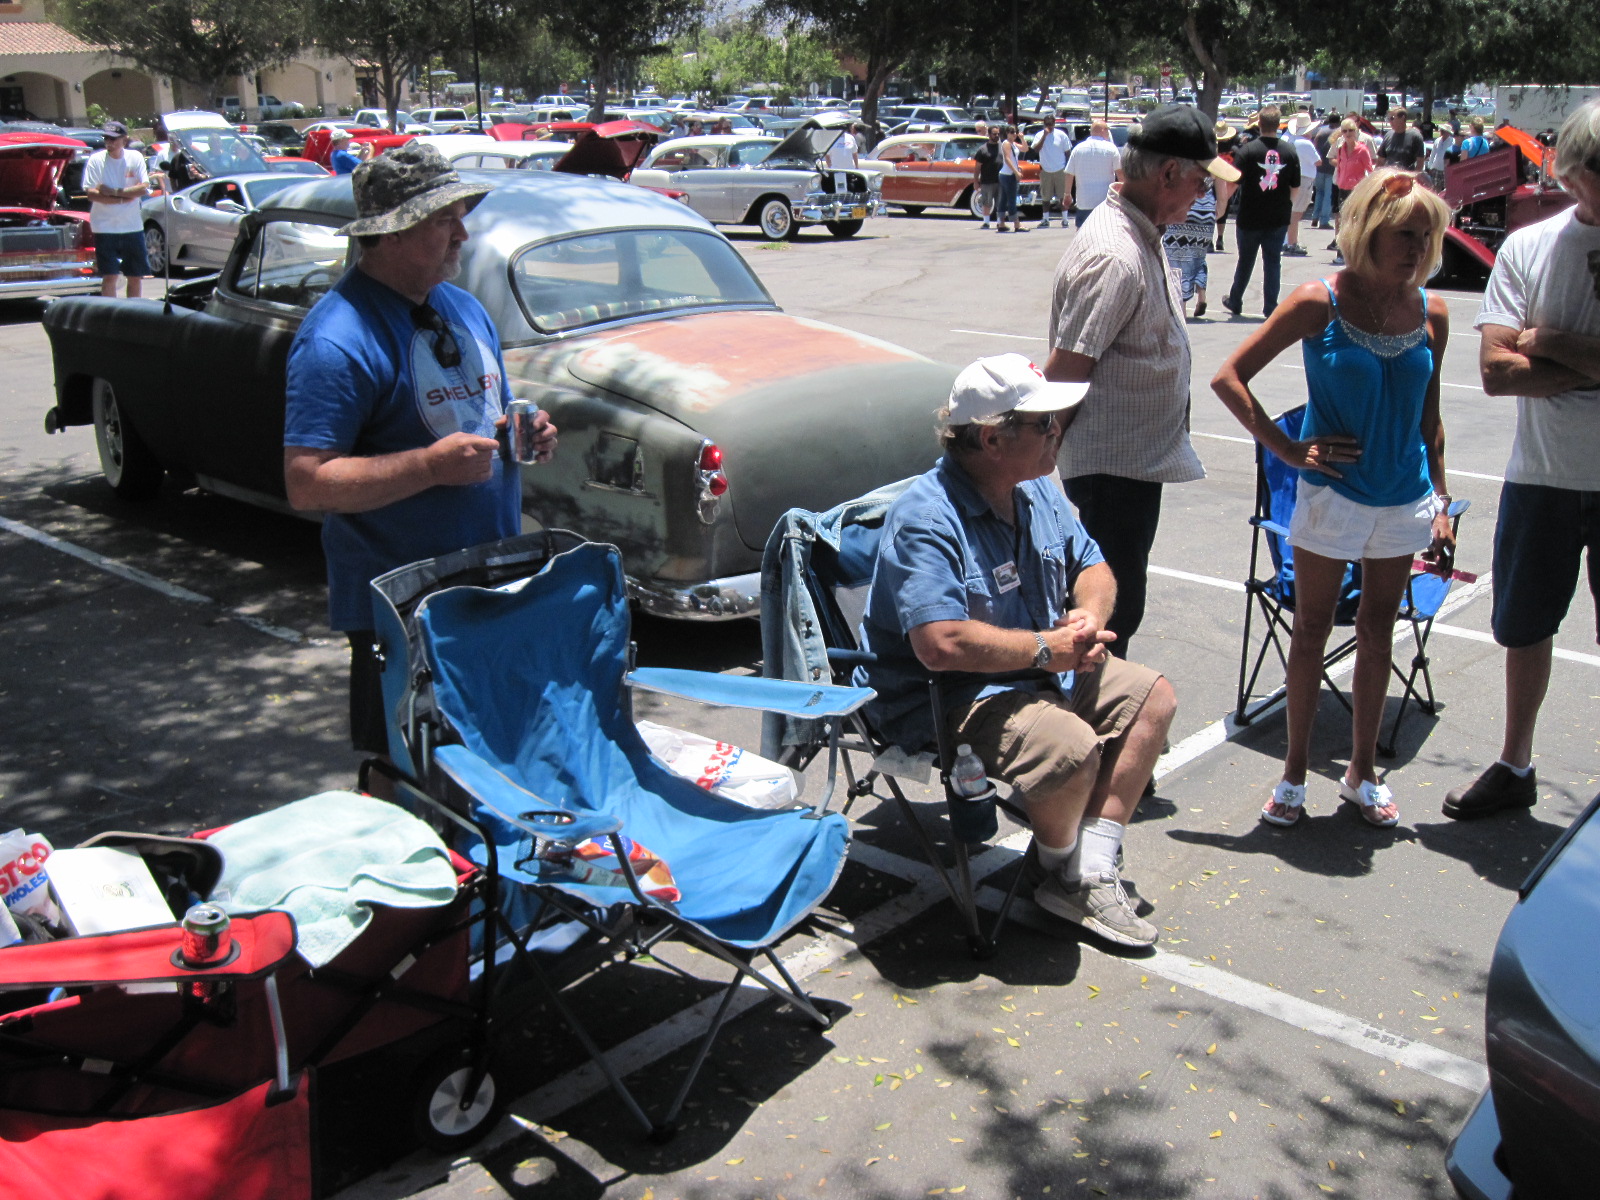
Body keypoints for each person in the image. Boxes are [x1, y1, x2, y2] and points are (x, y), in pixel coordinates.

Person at [857, 354, 1178, 946]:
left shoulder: (1036, 491)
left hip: (1037, 674)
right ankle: (1061, 869)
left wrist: (1087, 620)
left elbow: (1095, 566)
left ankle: (1087, 866)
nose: (1059, 431)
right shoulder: (926, 517)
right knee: (1071, 750)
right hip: (949, 697)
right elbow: (940, 644)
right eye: (1046, 425)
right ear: (991, 439)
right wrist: (1045, 649)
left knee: (1151, 698)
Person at [282, 143, 558, 753]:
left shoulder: (461, 307)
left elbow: (484, 416)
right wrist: (429, 467)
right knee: (404, 771)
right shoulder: (336, 338)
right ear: (392, 235)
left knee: (493, 760)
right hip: (400, 606)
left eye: (462, 213)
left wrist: (526, 433)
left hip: (488, 584)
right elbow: (306, 482)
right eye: (443, 219)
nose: (463, 231)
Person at [1211, 169, 1455, 829]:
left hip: (1403, 502)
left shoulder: (1431, 311)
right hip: (1331, 500)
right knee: (1312, 630)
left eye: (1426, 235)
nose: (1417, 248)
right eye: (1405, 234)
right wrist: (1285, 450)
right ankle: (1293, 773)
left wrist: (1440, 498)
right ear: (1369, 230)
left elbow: (1430, 421)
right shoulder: (1318, 301)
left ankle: (1360, 772)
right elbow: (1227, 377)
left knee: (1379, 633)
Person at [1445, 100, 1600, 820]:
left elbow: (1521, 356)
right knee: (1525, 626)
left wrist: (1549, 341)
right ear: (1573, 173)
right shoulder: (1529, 249)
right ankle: (1515, 763)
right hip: (1542, 475)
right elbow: (1496, 372)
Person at [1045, 105, 1238, 657]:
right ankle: (1089, 726)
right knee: (1107, 612)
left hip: (1130, 464)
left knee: (1118, 606)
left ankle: (1096, 713)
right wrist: (1034, 470)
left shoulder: (1141, 234)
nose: (1204, 194)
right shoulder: (1116, 254)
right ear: (1169, 173)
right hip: (1111, 470)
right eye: (1201, 180)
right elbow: (1065, 375)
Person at [1221, 105, 1301, 319]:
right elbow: (1295, 186)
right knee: (1273, 261)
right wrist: (1288, 206)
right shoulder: (1289, 151)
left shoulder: (1247, 151)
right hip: (1278, 216)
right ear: (1278, 124)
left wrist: (1220, 206)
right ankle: (1271, 306)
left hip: (1250, 215)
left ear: (1259, 124)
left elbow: (1233, 183)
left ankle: (1236, 300)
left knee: (1246, 260)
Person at [82, 121, 150, 299]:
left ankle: (134, 313)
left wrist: (114, 193)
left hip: (132, 226)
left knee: (135, 276)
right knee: (110, 275)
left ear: (124, 139)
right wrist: (126, 197)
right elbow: (92, 194)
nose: (109, 142)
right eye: (106, 138)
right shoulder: (96, 160)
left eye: (113, 139)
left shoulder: (135, 157)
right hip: (105, 227)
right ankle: (110, 314)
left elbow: (143, 188)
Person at [1163, 173, 1215, 318]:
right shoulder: (1212, 161)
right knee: (1198, 256)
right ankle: (1201, 296)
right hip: (1206, 210)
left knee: (1178, 259)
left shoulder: (1181, 160)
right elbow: (1223, 192)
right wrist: (1217, 211)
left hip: (1184, 206)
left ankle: (1182, 308)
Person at [1330, 118, 1374, 264]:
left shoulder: (1362, 150)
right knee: (1342, 222)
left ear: (1356, 132)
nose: (1348, 134)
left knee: (1356, 222)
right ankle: (1341, 253)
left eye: (1351, 130)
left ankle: (1357, 254)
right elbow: (1339, 166)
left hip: (1356, 190)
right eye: (1344, 131)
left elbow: (1370, 170)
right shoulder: (1340, 148)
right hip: (1342, 188)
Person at [1063, 120, 1122, 228]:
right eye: (1107, 130)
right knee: (1105, 234)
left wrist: (1067, 194)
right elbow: (1120, 173)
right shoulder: (1111, 148)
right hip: (1105, 202)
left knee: (1083, 234)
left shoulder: (1078, 149)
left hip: (1084, 201)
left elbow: (1069, 173)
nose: (1108, 133)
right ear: (1103, 130)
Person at [1283, 112, 1322, 255]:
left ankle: (1289, 241)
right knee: (1296, 213)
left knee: (1292, 211)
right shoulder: (1305, 143)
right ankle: (1292, 243)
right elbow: (1318, 161)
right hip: (1304, 179)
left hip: (1291, 177)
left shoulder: (1287, 140)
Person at [1032, 113, 1072, 228]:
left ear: (1055, 123)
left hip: (1060, 169)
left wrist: (1068, 168)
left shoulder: (1061, 135)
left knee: (1062, 196)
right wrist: (1044, 136)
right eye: (1047, 124)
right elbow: (1035, 149)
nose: (1049, 126)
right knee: (1046, 197)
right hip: (1045, 170)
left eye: (1051, 123)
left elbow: (1068, 152)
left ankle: (1064, 219)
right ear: (1044, 124)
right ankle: (1045, 219)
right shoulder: (1039, 135)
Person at [1212, 121, 1241, 251]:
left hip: (1212, 180)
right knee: (1223, 208)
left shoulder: (1213, 149)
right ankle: (1220, 237)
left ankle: (1209, 239)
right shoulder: (1234, 150)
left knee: (1211, 208)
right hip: (1228, 181)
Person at [1310, 112, 1339, 229]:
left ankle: (1315, 217)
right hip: (1331, 168)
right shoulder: (1339, 133)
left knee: (1319, 193)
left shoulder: (1320, 131)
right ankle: (1324, 220)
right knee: (1328, 194)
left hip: (1319, 167)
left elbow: (1314, 146)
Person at [996, 124, 1026, 233]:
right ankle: (1017, 224)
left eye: (1015, 132)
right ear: (1007, 133)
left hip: (1007, 174)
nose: (1014, 134)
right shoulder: (1006, 143)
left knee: (1003, 200)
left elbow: (1025, 148)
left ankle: (1001, 223)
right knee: (1011, 200)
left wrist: (1022, 138)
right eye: (1011, 132)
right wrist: (1016, 172)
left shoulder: (1013, 144)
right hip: (1007, 175)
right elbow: (1008, 160)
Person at [972, 123, 1002, 230]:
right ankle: (986, 222)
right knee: (986, 202)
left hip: (1000, 181)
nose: (997, 136)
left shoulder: (1003, 147)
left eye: (998, 134)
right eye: (994, 134)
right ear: (989, 134)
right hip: (987, 180)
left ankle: (1000, 223)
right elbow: (977, 167)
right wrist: (976, 181)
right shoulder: (983, 149)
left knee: (1000, 203)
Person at [826, 121, 859, 195]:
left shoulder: (850, 138)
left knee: (851, 190)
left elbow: (854, 153)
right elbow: (827, 155)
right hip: (836, 171)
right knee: (838, 191)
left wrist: (857, 166)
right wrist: (830, 167)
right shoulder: (832, 139)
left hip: (849, 170)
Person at [1427, 123, 1456, 191]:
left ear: (1448, 133)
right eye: (1441, 130)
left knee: (1447, 188)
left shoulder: (1452, 141)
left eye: (1444, 131)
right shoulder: (1437, 140)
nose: (1441, 132)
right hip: (1437, 168)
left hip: (1446, 169)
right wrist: (1430, 166)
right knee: (1436, 188)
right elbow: (1433, 154)